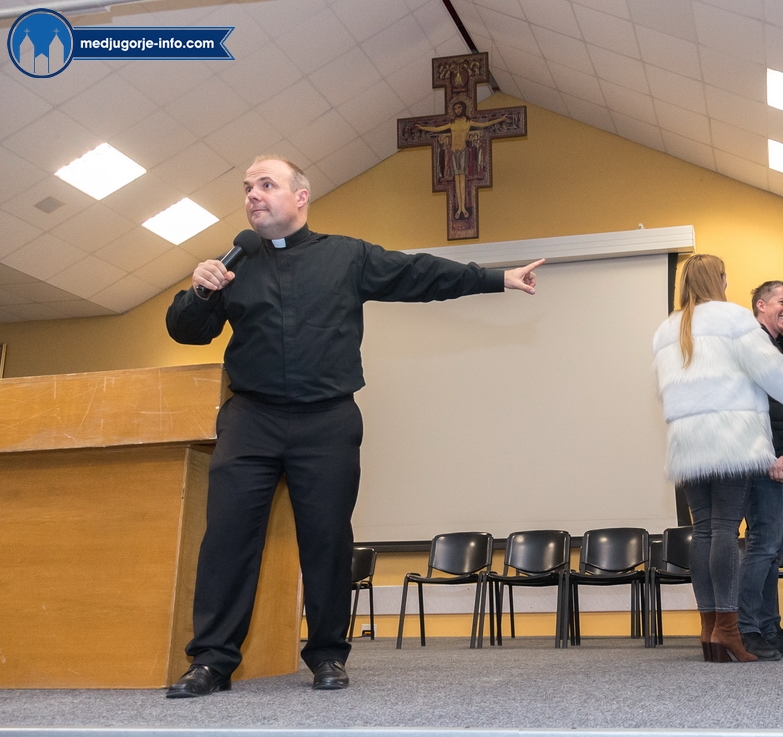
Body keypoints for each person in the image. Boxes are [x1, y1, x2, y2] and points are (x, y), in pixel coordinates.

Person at [164, 155, 542, 697]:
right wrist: (200, 291)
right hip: (251, 419)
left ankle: (326, 655)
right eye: (247, 187)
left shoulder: (346, 256)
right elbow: (187, 332)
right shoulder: (233, 266)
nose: (252, 195)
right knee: (227, 539)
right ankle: (211, 661)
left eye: (266, 184)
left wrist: (496, 278)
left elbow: (418, 275)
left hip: (326, 420)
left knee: (327, 541)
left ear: (301, 197)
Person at [653, 255, 783, 663]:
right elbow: (774, 374)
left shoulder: (666, 329)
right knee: (726, 531)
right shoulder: (733, 319)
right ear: (719, 280)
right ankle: (728, 630)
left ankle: (709, 631)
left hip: (688, 442)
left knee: (704, 532)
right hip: (731, 439)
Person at [736, 281, 783, 660]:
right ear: (761, 305)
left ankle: (769, 629)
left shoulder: (782, 348)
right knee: (763, 544)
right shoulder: (749, 344)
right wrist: (771, 454)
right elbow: (747, 407)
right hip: (766, 459)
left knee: (775, 547)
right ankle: (745, 629)